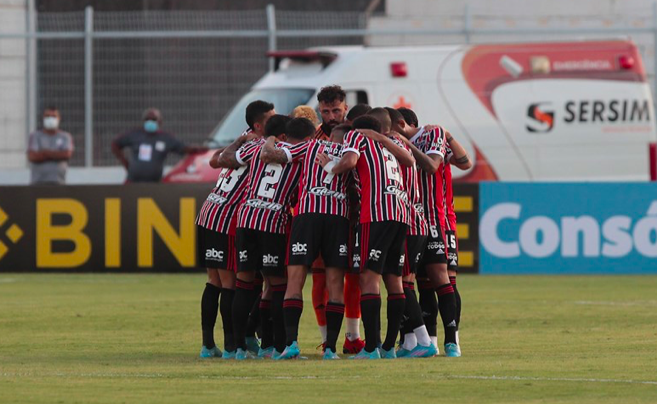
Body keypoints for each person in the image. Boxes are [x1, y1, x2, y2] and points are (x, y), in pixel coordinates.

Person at [318, 114, 415, 359]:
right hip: (400, 213)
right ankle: (388, 348)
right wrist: (382, 137)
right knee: (394, 280)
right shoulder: (392, 145)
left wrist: (330, 166)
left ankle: (371, 348)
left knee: (368, 278)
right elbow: (410, 161)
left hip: (376, 214)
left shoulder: (356, 137)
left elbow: (349, 161)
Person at [260, 123, 354, 360]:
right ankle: (330, 349)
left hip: (307, 216)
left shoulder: (310, 145)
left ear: (330, 136)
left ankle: (291, 344)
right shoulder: (351, 153)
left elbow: (271, 155)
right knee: (334, 284)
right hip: (337, 218)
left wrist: (270, 137)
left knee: (295, 280)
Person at [195, 100, 275, 359]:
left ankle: (208, 346)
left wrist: (239, 140)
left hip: (209, 212)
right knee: (231, 284)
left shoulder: (243, 143)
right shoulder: (260, 148)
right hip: (227, 217)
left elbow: (216, 160)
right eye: (271, 119)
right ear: (259, 125)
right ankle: (232, 347)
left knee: (213, 282)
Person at [311, 86, 365, 354]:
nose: (331, 115)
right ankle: (326, 339)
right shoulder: (313, 137)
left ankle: (353, 337)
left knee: (353, 278)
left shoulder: (357, 135)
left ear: (345, 108)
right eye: (325, 111)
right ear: (319, 110)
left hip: (356, 215)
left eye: (336, 110)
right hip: (322, 215)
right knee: (320, 279)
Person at [111, 108, 207, 183]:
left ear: (159, 121)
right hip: (133, 182)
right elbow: (115, 144)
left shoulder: (165, 138)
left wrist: (198, 149)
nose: (150, 122)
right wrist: (125, 163)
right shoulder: (135, 134)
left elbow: (183, 148)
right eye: (147, 119)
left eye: (153, 119)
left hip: (154, 184)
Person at [27, 106, 74, 185]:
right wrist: (56, 154)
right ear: (43, 118)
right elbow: (32, 156)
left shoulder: (65, 137)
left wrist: (44, 153)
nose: (50, 119)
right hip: (37, 183)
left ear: (59, 118)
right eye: (47, 116)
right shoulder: (35, 136)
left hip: (59, 182)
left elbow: (67, 154)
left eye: (53, 116)